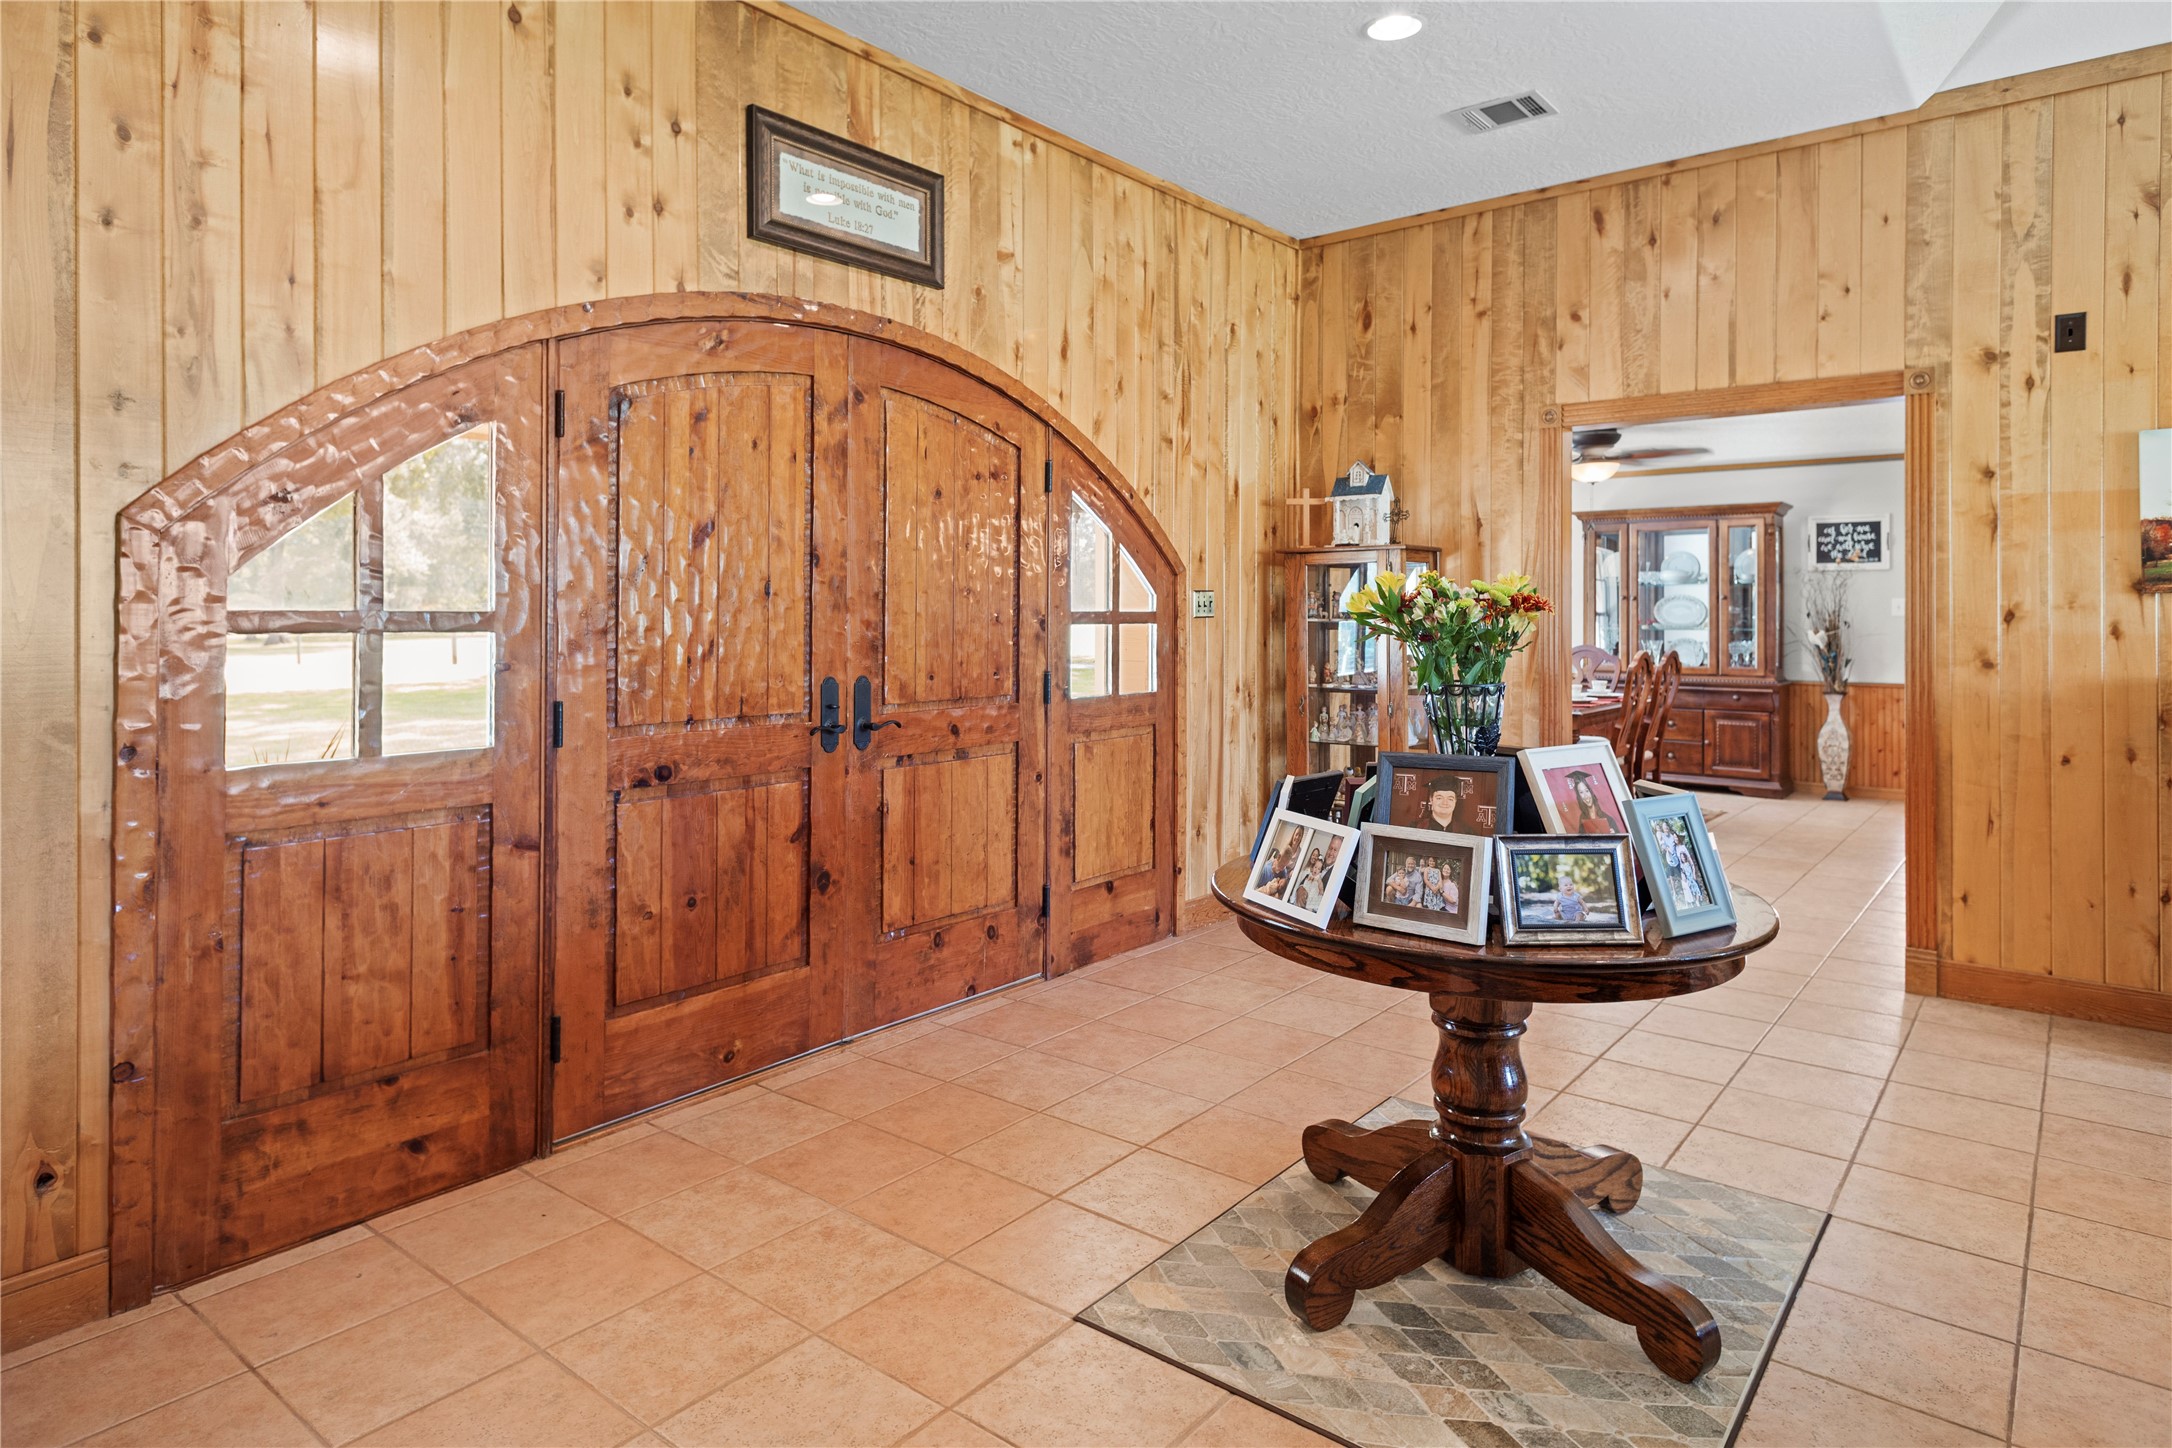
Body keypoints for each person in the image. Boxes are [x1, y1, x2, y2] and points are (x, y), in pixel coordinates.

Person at [1562, 769, 1620, 834]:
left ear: (1591, 792)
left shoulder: (1609, 820)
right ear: (1579, 797)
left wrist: (1614, 835)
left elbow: (1623, 841)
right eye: (1581, 792)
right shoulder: (1582, 819)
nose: (1586, 796)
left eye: (1587, 791)